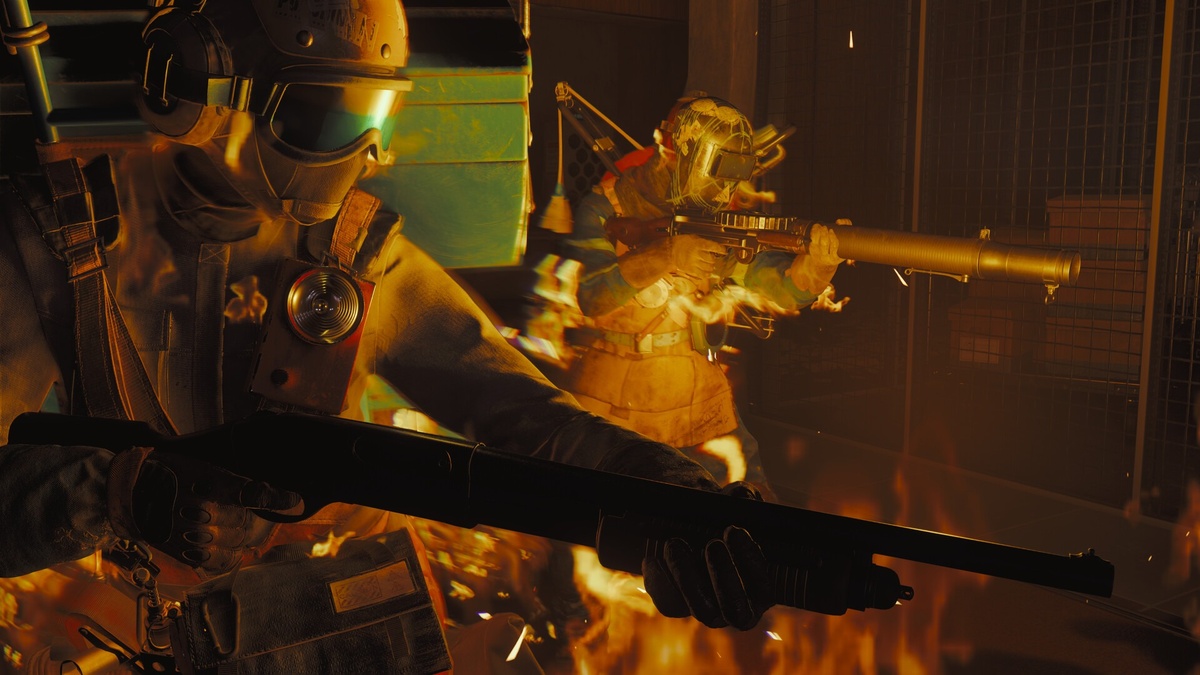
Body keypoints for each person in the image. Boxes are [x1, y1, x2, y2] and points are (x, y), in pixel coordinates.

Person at [0, 2, 773, 672]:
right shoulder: (50, 241)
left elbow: (523, 413)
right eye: (328, 115)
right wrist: (118, 491)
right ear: (203, 90)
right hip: (106, 624)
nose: (366, 152)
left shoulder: (354, 253)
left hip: (308, 618)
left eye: (374, 117)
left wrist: (672, 492)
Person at [560, 95, 847, 500]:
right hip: (611, 393)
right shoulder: (605, 207)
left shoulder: (712, 217)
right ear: (683, 155)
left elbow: (775, 285)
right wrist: (667, 254)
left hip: (690, 387)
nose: (727, 188)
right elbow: (592, 296)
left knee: (751, 500)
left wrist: (816, 267)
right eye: (719, 171)